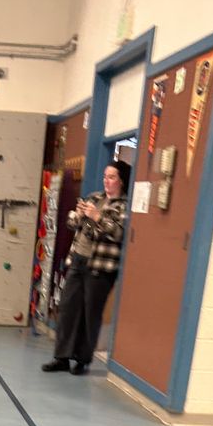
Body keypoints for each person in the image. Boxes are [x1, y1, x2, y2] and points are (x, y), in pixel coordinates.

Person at [42, 160, 131, 376]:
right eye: (105, 176)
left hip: (100, 266)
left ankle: (82, 360)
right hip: (78, 260)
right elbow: (72, 223)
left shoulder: (123, 205)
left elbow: (118, 233)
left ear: (121, 181)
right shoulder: (94, 197)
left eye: (111, 177)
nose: (106, 181)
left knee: (90, 313)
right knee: (67, 309)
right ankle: (61, 357)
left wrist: (96, 217)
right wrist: (79, 215)